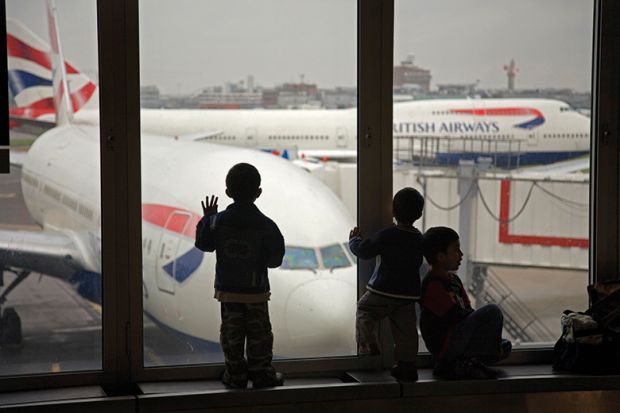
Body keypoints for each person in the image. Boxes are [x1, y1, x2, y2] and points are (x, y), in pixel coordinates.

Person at [195, 163, 285, 389]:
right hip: (256, 293)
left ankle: (235, 375)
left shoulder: (217, 221)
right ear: (258, 193)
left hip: (229, 292)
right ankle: (262, 375)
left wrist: (207, 218)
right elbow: (275, 260)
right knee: (260, 335)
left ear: (227, 193)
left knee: (231, 335)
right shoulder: (267, 225)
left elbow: (203, 244)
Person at [349, 187, 425, 381]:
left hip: (383, 290)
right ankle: (407, 366)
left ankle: (368, 344)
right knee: (406, 332)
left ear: (393, 211)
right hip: (407, 295)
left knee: (365, 310)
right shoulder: (419, 239)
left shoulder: (388, 235)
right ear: (419, 214)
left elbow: (365, 252)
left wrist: (354, 241)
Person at [419, 226, 512, 379]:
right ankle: (457, 363)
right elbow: (454, 317)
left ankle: (464, 363)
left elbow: (466, 311)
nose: (461, 255)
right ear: (441, 256)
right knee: (492, 311)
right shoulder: (432, 285)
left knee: (505, 346)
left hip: (459, 335)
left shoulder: (454, 280)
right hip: (446, 344)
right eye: (456, 250)